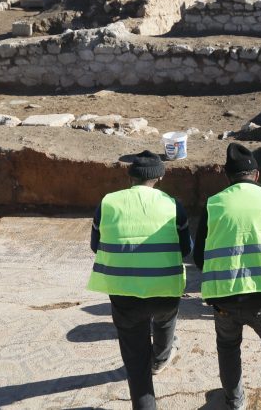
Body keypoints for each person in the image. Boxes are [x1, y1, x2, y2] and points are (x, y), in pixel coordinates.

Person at [194, 143, 261, 410]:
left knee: (228, 346)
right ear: (256, 175)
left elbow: (199, 256)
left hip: (225, 300)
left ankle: (235, 402)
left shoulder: (214, 203)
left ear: (227, 176)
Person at [87, 150, 191, 410]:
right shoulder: (172, 204)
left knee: (135, 362)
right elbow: (186, 249)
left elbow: (95, 245)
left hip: (124, 293)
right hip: (165, 288)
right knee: (166, 318)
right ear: (160, 177)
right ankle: (161, 357)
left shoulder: (107, 202)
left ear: (130, 176)